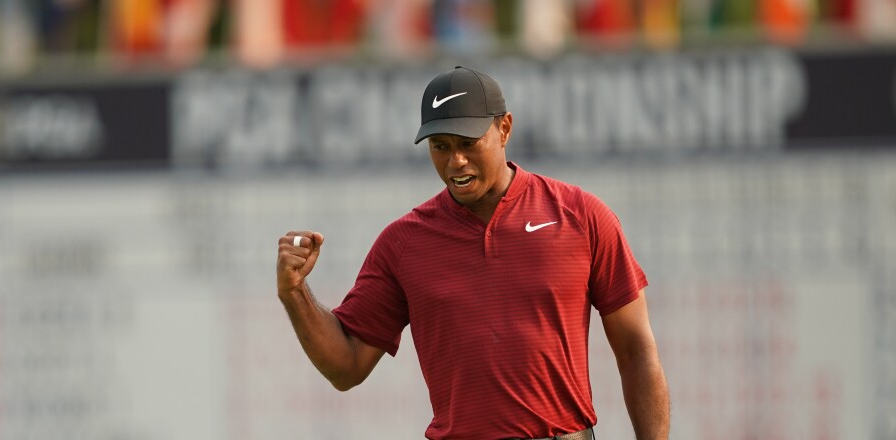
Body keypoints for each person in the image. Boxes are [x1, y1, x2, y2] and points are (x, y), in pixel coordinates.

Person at [275, 66, 669, 440]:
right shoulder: (403, 242)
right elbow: (347, 366)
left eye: (468, 143)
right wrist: (295, 293)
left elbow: (637, 350)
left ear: (504, 128)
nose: (455, 161)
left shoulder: (580, 216)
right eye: (440, 146)